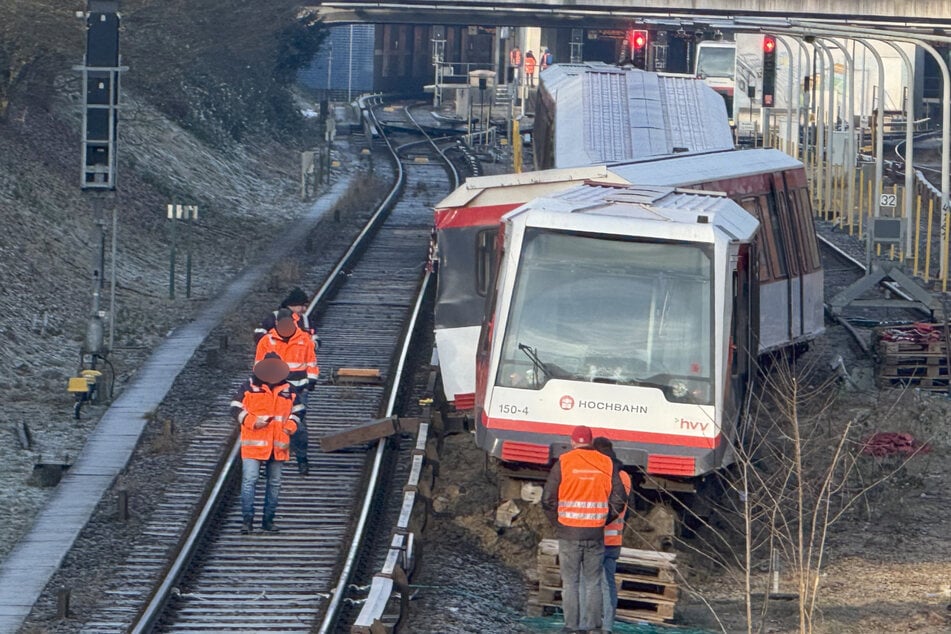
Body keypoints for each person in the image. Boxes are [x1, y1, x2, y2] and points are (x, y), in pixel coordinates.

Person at [543, 425, 626, 634]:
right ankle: (595, 628)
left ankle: (571, 626)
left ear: (572, 442)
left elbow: (547, 499)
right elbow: (620, 497)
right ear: (590, 442)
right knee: (594, 582)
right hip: (595, 533)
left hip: (569, 533)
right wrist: (604, 519)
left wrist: (559, 522)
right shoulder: (606, 463)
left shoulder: (563, 462)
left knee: (570, 582)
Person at [231, 352, 302, 534]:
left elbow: (299, 411)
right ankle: (247, 521)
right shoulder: (248, 387)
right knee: (250, 481)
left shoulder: (289, 389)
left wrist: (290, 427)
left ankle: (268, 521)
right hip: (254, 444)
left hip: (278, 444)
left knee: (274, 483)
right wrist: (252, 421)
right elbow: (235, 408)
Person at [255, 308, 319, 475]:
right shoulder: (266, 341)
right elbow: (259, 365)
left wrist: (311, 380)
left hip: (298, 389)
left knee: (298, 426)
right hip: (274, 390)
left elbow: (311, 362)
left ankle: (302, 459)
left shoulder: (304, 340)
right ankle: (269, 461)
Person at [593, 437, 632, 634]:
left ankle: (593, 625)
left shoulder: (600, 475)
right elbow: (627, 510)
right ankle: (607, 625)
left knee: (589, 583)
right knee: (608, 582)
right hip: (614, 540)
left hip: (594, 538)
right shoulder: (624, 476)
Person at [254, 287, 319, 351]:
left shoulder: (306, 320)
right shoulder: (275, 316)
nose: (304, 309)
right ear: (292, 305)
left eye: (305, 306)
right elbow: (258, 334)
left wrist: (311, 345)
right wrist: (272, 343)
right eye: (301, 305)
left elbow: (315, 338)